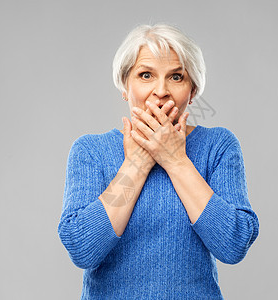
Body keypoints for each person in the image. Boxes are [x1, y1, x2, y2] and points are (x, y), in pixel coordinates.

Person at [57, 23, 259, 299]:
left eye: (176, 77)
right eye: (145, 75)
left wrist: (176, 160)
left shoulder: (218, 146)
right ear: (125, 86)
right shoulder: (91, 151)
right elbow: (82, 248)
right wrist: (136, 166)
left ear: (193, 89)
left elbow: (233, 244)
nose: (161, 91)